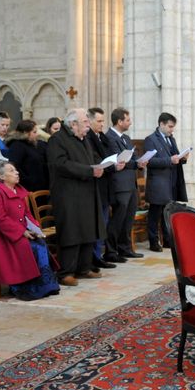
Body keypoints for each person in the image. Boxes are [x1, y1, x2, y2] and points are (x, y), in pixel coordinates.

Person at [46, 108, 106, 286]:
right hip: (68, 194)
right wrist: (89, 170)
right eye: (85, 123)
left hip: (86, 191)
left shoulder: (83, 138)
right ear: (73, 124)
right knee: (71, 232)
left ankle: (83, 268)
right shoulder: (57, 140)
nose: (88, 126)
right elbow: (61, 164)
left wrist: (102, 165)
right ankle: (65, 273)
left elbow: (92, 158)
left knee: (88, 229)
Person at [0, 160, 60, 301]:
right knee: (30, 247)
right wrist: (22, 232)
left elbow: (27, 214)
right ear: (1, 176)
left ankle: (46, 286)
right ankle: (27, 288)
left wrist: (35, 228)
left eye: (16, 170)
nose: (17, 172)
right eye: (12, 171)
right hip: (5, 236)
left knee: (40, 243)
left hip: (21, 230)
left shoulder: (18, 189)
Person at [104, 108, 148, 261]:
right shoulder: (109, 137)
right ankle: (110, 251)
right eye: (128, 120)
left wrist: (140, 163)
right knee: (117, 219)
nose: (130, 122)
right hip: (119, 184)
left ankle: (125, 248)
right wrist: (135, 163)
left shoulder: (127, 138)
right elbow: (118, 159)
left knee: (128, 219)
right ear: (119, 121)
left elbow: (132, 157)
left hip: (130, 183)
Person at [143, 112, 189, 252]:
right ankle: (153, 242)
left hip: (172, 181)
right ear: (161, 124)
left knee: (167, 212)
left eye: (173, 127)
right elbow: (150, 161)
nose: (171, 130)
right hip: (159, 182)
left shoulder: (171, 139)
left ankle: (168, 240)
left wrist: (183, 158)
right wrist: (169, 160)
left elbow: (174, 156)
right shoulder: (150, 139)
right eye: (169, 126)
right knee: (155, 213)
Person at [86, 107, 125, 269]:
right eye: (99, 121)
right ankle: (94, 256)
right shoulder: (88, 138)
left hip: (106, 185)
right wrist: (113, 166)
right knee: (98, 223)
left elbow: (110, 156)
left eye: (103, 121)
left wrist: (117, 162)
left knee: (104, 221)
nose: (103, 124)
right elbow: (97, 160)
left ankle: (100, 255)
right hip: (96, 186)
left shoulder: (102, 137)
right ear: (90, 121)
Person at [6, 119, 50, 192]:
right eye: (34, 132)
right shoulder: (16, 145)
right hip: (28, 188)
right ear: (25, 133)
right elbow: (15, 166)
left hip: (41, 187)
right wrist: (29, 180)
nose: (37, 134)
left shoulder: (36, 144)